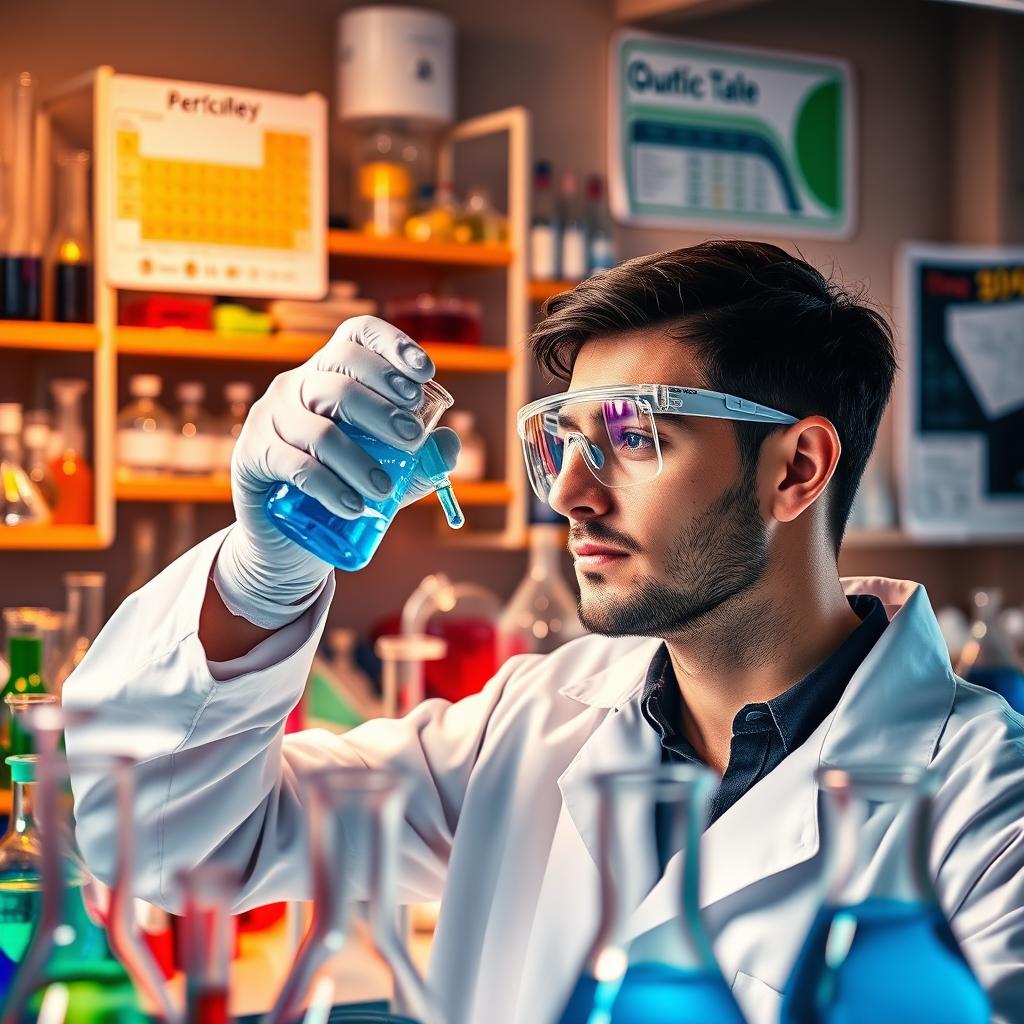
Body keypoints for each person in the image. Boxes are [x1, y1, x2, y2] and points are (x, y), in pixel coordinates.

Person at [65, 241, 1024, 1024]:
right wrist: (260, 578)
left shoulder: (989, 818)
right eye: (563, 439)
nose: (569, 491)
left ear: (796, 469)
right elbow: (166, 839)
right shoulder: (526, 726)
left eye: (635, 436)